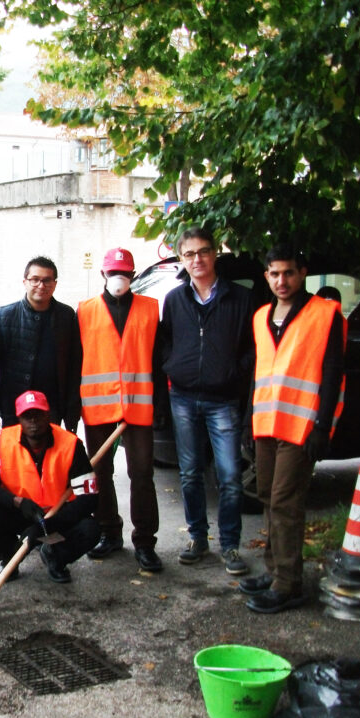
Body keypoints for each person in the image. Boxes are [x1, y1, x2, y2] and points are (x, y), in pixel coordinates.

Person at [239, 245, 344, 613]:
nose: (280, 281)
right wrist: (249, 422)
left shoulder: (325, 314)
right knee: (268, 496)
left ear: (302, 273)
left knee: (285, 502)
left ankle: (289, 584)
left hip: (302, 426)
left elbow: (332, 374)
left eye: (288, 273)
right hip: (267, 423)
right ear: (266, 275)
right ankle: (274, 571)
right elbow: (259, 373)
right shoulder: (261, 316)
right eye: (274, 273)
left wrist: (322, 426)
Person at [160, 227, 255, 576]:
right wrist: (174, 366)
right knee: (189, 474)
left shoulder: (239, 299)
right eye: (189, 254)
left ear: (215, 254)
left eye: (203, 252)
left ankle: (229, 545)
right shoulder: (175, 299)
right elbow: (166, 341)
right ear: (182, 259)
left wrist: (233, 372)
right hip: (183, 397)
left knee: (230, 476)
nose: (197, 260)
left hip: (223, 400)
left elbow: (251, 348)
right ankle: (198, 538)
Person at [79, 247, 164, 572]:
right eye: (114, 273)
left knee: (142, 474)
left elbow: (158, 361)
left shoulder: (150, 309)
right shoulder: (85, 311)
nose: (119, 279)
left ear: (133, 275)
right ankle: (109, 532)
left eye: (125, 273)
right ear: (102, 274)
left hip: (139, 406)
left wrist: (161, 407)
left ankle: (145, 541)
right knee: (100, 473)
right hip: (98, 406)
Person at [0, 391, 100, 582]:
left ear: (48, 415)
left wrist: (45, 526)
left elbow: (89, 499)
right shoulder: (3, 441)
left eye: (38, 414)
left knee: (91, 530)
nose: (33, 421)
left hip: (57, 518)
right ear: (19, 418)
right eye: (27, 416)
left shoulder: (71, 445)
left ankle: (55, 557)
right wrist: (17, 502)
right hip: (22, 512)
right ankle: (10, 556)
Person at [0, 256, 81, 429]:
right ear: (25, 282)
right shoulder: (4, 315)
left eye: (47, 280)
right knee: (15, 455)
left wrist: (72, 413)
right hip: (13, 407)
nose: (41, 285)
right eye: (35, 280)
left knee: (50, 456)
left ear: (54, 284)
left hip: (52, 408)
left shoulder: (66, 316)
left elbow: (74, 367)